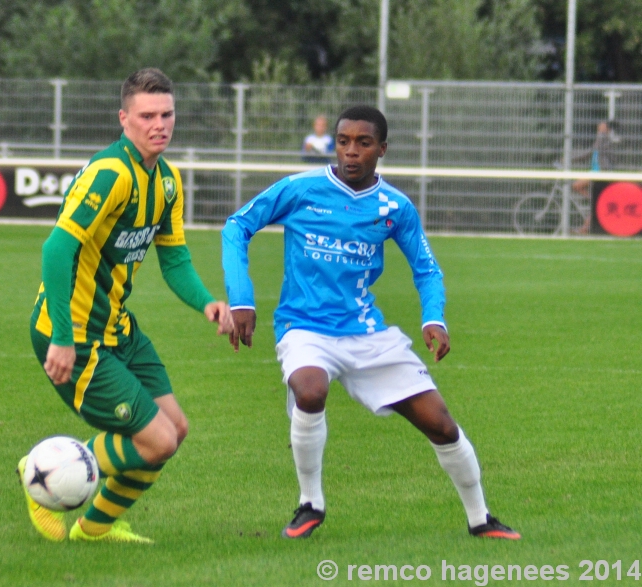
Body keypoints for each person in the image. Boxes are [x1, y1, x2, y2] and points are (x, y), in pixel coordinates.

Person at [221, 105, 520, 541]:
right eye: (343, 142)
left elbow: (427, 268)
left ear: (382, 148)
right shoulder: (301, 189)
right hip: (304, 327)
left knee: (440, 423)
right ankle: (311, 503)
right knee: (309, 388)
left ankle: (481, 519)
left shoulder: (394, 206)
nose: (351, 152)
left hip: (366, 333)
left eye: (363, 143)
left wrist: (434, 318)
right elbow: (237, 226)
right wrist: (242, 300)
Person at [19, 68, 233, 544]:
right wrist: (63, 336)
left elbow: (174, 259)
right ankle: (41, 472)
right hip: (73, 331)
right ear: (124, 119)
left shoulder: (168, 181)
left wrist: (207, 304)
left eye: (167, 114)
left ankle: (94, 530)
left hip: (118, 327)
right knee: (154, 439)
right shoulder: (112, 173)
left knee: (174, 430)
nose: (160, 124)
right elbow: (57, 249)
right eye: (147, 115)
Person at [572, 120, 616, 233]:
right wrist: (570, 159)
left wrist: (602, 134)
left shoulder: (607, 140)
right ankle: (594, 199)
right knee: (576, 186)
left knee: (578, 186)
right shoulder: (599, 140)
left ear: (607, 129)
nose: (599, 128)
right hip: (594, 173)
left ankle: (584, 229)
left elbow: (599, 149)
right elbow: (588, 153)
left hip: (601, 174)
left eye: (602, 127)